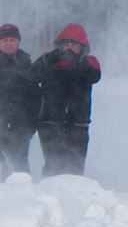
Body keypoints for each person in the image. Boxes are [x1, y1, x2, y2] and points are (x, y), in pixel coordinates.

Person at [32, 24, 101, 176]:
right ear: (60, 46)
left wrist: (74, 64)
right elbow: (31, 75)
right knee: (52, 166)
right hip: (50, 123)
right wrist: (47, 60)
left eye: (73, 45)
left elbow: (94, 75)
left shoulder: (87, 63)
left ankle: (73, 196)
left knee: (75, 168)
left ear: (81, 47)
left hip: (77, 124)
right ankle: (48, 196)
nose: (69, 48)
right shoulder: (48, 62)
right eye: (66, 44)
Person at [0, 23, 39, 179]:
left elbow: (35, 95)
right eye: (4, 41)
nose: (8, 43)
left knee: (21, 163)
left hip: (24, 126)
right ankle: (4, 196)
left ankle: (24, 195)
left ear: (18, 42)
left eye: (12, 40)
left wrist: (32, 120)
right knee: (6, 164)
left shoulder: (27, 66)